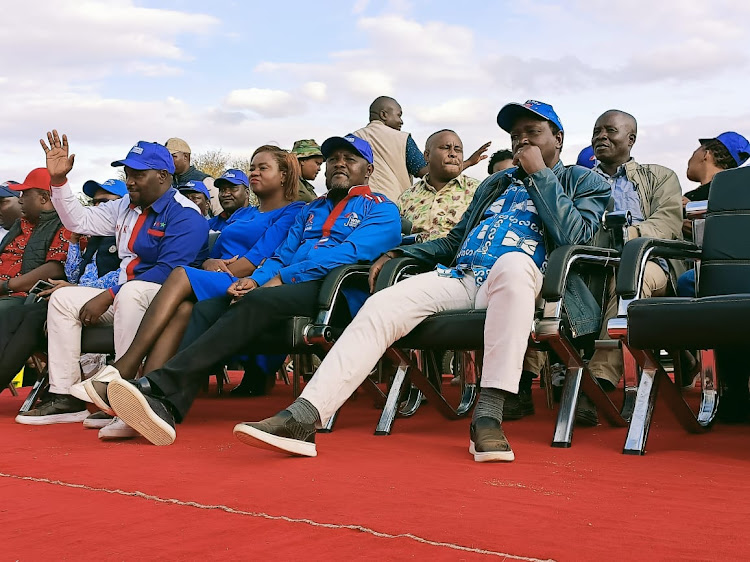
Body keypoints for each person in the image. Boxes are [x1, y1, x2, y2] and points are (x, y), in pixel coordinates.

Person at [229, 100, 611, 462]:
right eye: (516, 135)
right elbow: (454, 241)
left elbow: (573, 238)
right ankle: (304, 416)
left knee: (512, 264)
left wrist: (540, 176)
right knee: (384, 304)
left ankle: (489, 415)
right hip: (463, 275)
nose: (522, 141)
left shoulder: (585, 181)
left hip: (533, 283)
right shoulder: (494, 186)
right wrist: (399, 254)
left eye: (532, 132)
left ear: (558, 138)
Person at [104, 134, 402, 446]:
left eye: (350, 159)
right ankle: (167, 406)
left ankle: (157, 384)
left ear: (368, 170)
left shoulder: (382, 210)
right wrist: (257, 279)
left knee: (259, 299)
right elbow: (282, 253)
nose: (339, 164)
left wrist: (282, 278)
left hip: (335, 292)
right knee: (207, 306)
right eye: (334, 159)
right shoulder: (310, 210)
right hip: (284, 289)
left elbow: (347, 255)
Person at [88, 145, 305, 408]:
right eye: (252, 167)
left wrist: (202, 270)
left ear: (283, 176)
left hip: (244, 280)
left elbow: (253, 260)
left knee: (179, 274)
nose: (254, 173)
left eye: (263, 168)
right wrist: (208, 262)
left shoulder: (293, 211)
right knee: (182, 308)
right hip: (214, 276)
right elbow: (215, 251)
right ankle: (145, 392)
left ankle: (126, 366)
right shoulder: (244, 213)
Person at [15, 132, 208, 425]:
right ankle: (66, 396)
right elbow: (78, 220)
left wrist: (109, 294)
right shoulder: (125, 206)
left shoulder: (186, 213)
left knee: (130, 293)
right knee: (64, 298)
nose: (130, 180)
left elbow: (170, 271)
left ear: (162, 176)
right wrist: (59, 182)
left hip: (167, 298)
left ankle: (124, 396)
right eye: (127, 173)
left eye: (138, 174)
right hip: (126, 292)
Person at [578, 110, 683, 425]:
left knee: (627, 278)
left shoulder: (659, 176)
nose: (601, 136)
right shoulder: (579, 179)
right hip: (591, 267)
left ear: (631, 139)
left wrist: (624, 237)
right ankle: (522, 385)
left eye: (610, 130)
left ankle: (597, 383)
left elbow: (667, 223)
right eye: (596, 131)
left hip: (649, 265)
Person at [353, 96, 490, 205]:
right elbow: (429, 171)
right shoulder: (402, 139)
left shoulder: (351, 139)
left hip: (354, 208)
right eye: (399, 115)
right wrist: (468, 162)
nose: (401, 121)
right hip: (391, 207)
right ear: (384, 115)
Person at [0, 168, 69, 312]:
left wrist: (5, 286)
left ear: (43, 198)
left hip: (21, 295)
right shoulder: (21, 223)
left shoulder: (64, 223)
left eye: (25, 194)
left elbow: (55, 268)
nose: (20, 200)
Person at [399, 129, 479, 241]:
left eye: (458, 150)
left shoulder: (479, 191)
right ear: (427, 156)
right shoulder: (407, 197)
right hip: (412, 256)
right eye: (446, 148)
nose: (453, 154)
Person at [166, 137, 221, 216]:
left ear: (185, 157)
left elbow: (219, 215)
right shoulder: (167, 182)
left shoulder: (206, 181)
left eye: (173, 156)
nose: (168, 160)